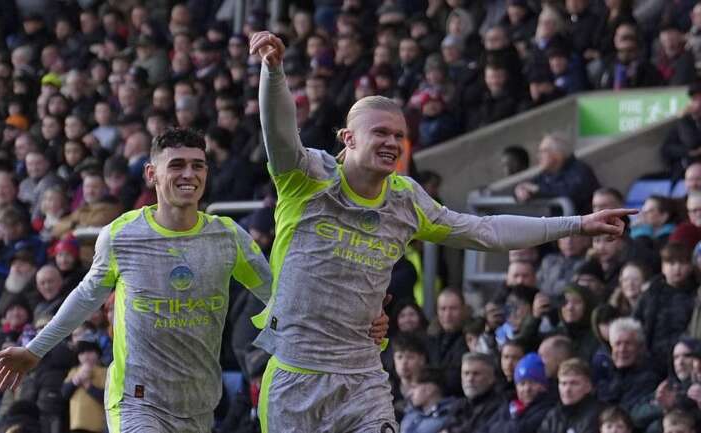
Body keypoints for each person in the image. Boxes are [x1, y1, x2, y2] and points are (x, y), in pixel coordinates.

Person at [249, 30, 634, 433]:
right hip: (296, 374)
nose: (392, 142)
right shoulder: (307, 177)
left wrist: (577, 224)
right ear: (349, 138)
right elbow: (278, 132)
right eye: (380, 132)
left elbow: (486, 231)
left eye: (399, 135)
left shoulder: (406, 200)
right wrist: (274, 71)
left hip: (362, 375)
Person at [0, 128, 277, 433]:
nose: (189, 174)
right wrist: (35, 350)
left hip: (198, 402)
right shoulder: (123, 235)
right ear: (152, 174)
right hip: (136, 399)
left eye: (197, 165)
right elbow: (86, 297)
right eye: (177, 165)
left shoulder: (228, 237)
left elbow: (277, 299)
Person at [539, 358, 603, 433]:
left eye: (574, 383)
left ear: (588, 387)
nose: (567, 390)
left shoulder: (599, 415)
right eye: (563, 383)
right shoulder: (553, 416)